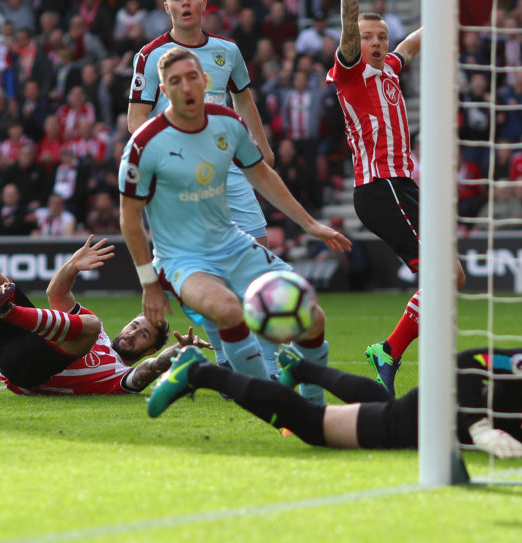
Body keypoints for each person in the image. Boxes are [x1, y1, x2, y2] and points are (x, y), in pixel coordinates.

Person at [120, 47, 351, 403]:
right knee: (228, 310)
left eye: (192, 77)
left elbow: (261, 174)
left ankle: (311, 403)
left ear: (205, 81)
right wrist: (149, 282)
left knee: (311, 316)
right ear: (164, 91)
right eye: (176, 81)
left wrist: (309, 224)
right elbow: (129, 218)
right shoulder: (144, 145)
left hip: (232, 243)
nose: (186, 87)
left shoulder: (228, 123)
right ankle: (269, 399)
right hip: (182, 260)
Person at [149, 292, 522, 458]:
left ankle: (302, 367)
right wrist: (481, 429)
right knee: (313, 428)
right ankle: (202, 372)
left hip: (447, 425)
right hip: (436, 418)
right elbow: (465, 364)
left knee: (383, 403)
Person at [330, 0, 466, 396]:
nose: (375, 42)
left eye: (380, 37)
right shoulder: (350, 71)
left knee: (454, 275)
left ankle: (389, 350)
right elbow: (349, 27)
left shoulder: (389, 67)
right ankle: (402, 356)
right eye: (368, 37)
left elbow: (412, 42)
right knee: (440, 275)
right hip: (379, 187)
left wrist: (447, 1)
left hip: (402, 185)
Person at [126, 0, 279, 374]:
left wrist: (261, 147)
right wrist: (165, 157)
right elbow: (136, 118)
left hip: (228, 165)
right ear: (167, 7)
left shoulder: (227, 50)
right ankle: (228, 358)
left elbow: (243, 99)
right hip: (180, 174)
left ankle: (264, 357)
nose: (185, 3)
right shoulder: (151, 55)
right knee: (201, 268)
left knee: (258, 251)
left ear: (204, 4)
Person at [0, 230, 211, 395]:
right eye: (134, 325)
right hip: (15, 344)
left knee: (89, 324)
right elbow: (55, 293)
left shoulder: (119, 377)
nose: (132, 333)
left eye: (143, 335)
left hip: (29, 372)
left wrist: (171, 355)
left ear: (150, 349)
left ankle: (6, 309)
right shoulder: (98, 333)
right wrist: (72, 266)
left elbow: (146, 373)